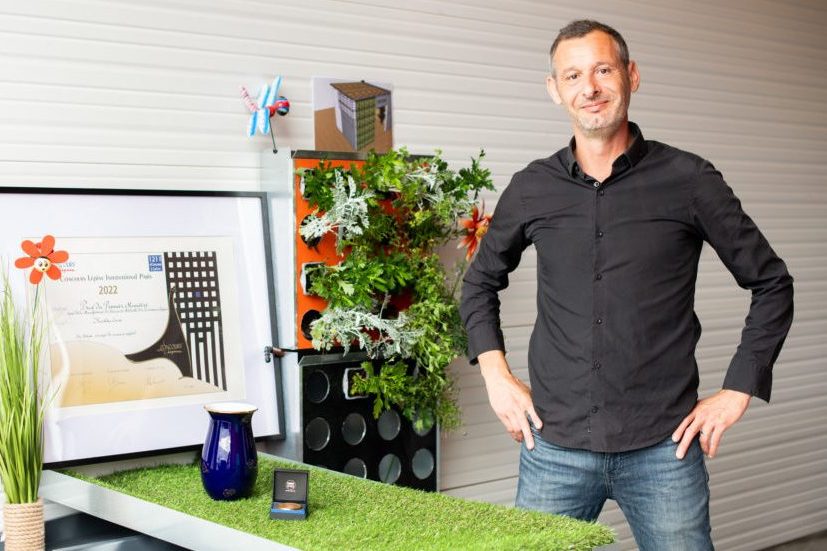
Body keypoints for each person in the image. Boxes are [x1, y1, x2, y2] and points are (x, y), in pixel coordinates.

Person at [460, 19, 794, 550]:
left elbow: (772, 283)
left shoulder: (689, 180)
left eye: (602, 70)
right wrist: (495, 375)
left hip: (663, 449)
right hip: (555, 447)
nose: (589, 88)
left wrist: (738, 389)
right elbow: (478, 283)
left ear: (631, 75)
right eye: (572, 75)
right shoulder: (531, 188)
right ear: (554, 90)